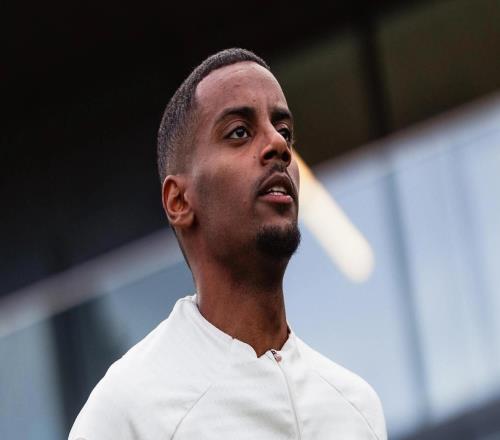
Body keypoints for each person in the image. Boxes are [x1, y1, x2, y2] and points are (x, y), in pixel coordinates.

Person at [69, 48, 387, 440]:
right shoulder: (128, 410)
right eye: (239, 132)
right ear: (179, 201)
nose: (278, 145)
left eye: (285, 131)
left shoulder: (357, 409)